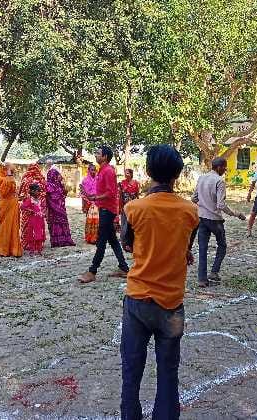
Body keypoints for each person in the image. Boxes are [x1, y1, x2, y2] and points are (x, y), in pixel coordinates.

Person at [119, 144, 199, 419]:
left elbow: (127, 244)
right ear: (177, 174)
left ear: (148, 171)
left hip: (138, 299)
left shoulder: (133, 208)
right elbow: (186, 247)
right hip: (171, 303)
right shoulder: (190, 211)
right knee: (168, 372)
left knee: (131, 370)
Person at [191, 157, 246, 287]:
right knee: (222, 245)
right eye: (224, 167)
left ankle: (202, 279)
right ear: (219, 167)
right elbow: (221, 205)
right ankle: (214, 272)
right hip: (215, 219)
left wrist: (203, 204)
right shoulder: (219, 181)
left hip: (202, 218)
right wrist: (236, 214)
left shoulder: (202, 178)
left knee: (202, 249)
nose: (225, 170)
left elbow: (194, 198)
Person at [79, 145, 129, 283]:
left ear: (105, 157)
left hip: (108, 210)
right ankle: (124, 268)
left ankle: (92, 271)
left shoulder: (108, 171)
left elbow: (111, 193)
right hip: (104, 208)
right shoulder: (102, 170)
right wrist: (92, 196)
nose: (95, 155)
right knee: (112, 240)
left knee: (101, 241)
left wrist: (95, 197)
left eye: (98, 153)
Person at [0, 163, 23, 257]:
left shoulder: (9, 178)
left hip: (13, 204)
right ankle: (3, 249)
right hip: (6, 205)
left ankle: (13, 249)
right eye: (10, 170)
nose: (12, 172)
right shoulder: (2, 179)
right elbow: (4, 193)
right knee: (5, 226)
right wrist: (9, 175)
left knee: (14, 226)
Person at [18, 163, 47, 248]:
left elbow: (20, 193)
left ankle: (26, 243)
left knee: (27, 225)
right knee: (38, 227)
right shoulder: (41, 179)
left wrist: (26, 197)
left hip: (28, 205)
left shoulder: (25, 179)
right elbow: (44, 193)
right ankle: (37, 243)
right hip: (38, 207)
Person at [46, 164, 75, 247]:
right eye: (58, 174)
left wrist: (64, 189)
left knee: (63, 223)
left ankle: (65, 240)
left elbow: (64, 194)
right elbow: (51, 197)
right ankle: (57, 241)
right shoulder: (49, 185)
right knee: (56, 224)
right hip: (54, 210)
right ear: (54, 175)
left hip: (61, 208)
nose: (60, 176)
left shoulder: (59, 184)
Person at [20, 183, 46, 255]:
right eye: (37, 191)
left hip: (40, 219)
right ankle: (32, 249)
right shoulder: (29, 200)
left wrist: (43, 212)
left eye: (39, 191)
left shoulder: (39, 199)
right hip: (33, 220)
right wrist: (30, 210)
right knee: (32, 234)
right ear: (32, 191)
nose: (39, 193)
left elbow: (42, 207)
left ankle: (39, 249)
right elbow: (22, 207)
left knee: (40, 233)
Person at [80, 164, 99, 244]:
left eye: (95, 170)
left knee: (98, 221)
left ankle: (97, 237)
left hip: (98, 202)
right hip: (88, 203)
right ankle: (90, 237)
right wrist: (84, 206)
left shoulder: (99, 179)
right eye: (92, 170)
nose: (93, 172)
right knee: (89, 221)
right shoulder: (85, 181)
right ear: (88, 170)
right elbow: (83, 194)